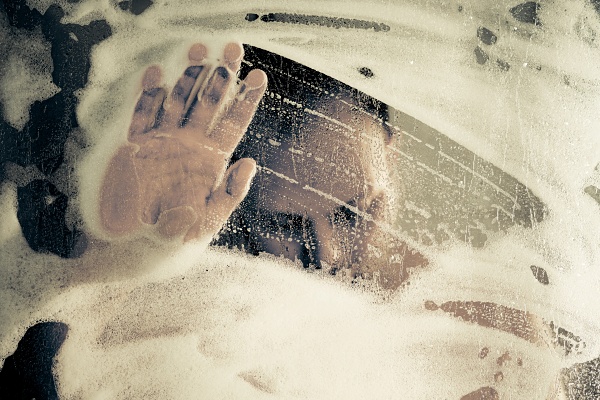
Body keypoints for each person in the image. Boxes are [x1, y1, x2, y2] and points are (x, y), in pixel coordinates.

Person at [99, 41, 426, 289]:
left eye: (352, 213)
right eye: (286, 226)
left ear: (391, 157)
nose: (330, 258)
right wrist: (134, 257)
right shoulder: (209, 307)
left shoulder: (437, 298)